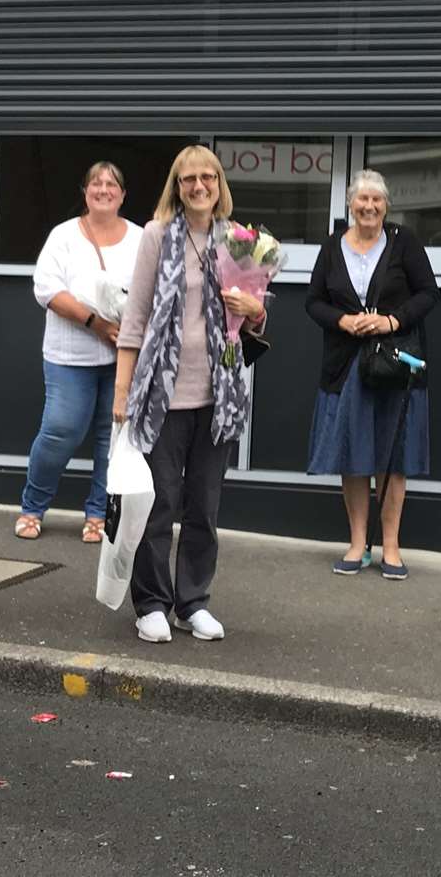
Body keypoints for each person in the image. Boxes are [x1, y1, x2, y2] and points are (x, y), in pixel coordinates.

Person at [112, 145, 268, 644]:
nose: (198, 187)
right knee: (158, 504)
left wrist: (255, 309)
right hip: (162, 392)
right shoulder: (157, 236)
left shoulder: (240, 240)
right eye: (187, 180)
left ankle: (193, 602)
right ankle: (151, 604)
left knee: (203, 506)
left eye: (207, 178)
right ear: (176, 188)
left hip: (217, 396)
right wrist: (122, 391)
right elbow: (135, 316)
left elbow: (255, 321)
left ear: (220, 184)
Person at [305, 169, 440, 579]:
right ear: (350, 204)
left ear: (386, 205)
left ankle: (392, 547)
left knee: (393, 458)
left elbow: (428, 293)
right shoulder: (332, 247)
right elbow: (313, 302)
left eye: (376, 200)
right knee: (353, 456)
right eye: (362, 200)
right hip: (346, 365)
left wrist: (391, 322)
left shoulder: (404, 243)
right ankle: (358, 543)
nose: (369, 207)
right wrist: (343, 321)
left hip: (395, 365)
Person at [15, 162, 143, 543]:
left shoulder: (139, 238)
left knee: (112, 437)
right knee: (60, 431)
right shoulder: (64, 235)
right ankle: (32, 507)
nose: (103, 189)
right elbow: (46, 289)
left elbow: (150, 291)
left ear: (123, 194)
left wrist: (129, 329)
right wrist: (97, 324)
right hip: (70, 355)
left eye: (111, 184)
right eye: (96, 183)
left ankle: (98, 514)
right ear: (85, 192)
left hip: (123, 356)